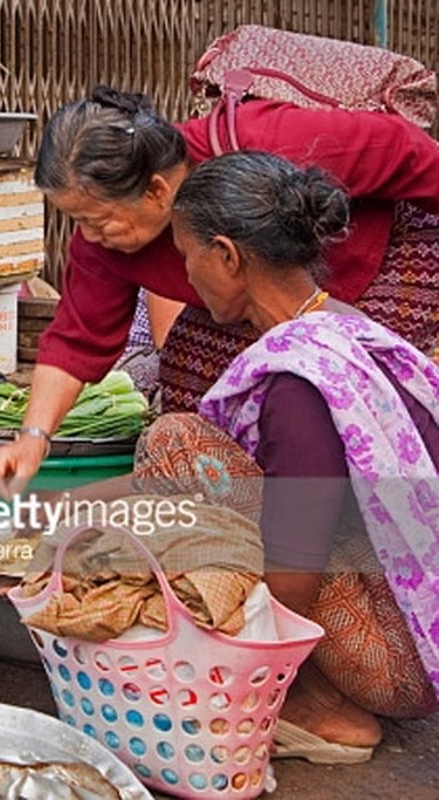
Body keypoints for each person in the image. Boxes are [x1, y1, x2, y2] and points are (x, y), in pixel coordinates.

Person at [127, 151, 438, 763]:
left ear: (227, 255)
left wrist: (189, 638)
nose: (186, 276)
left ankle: (312, 707)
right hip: (417, 621)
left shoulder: (302, 382)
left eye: (189, 256)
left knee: (174, 444)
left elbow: (292, 579)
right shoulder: (352, 331)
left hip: (400, 663)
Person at [0, 85, 439, 499]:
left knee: (317, 404)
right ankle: (236, 515)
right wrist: (33, 439)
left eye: (97, 220)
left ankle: (327, 527)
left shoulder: (272, 140)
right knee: (187, 372)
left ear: (157, 190)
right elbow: (77, 337)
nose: (88, 236)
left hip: (382, 262)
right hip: (260, 310)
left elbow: (410, 153)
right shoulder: (105, 243)